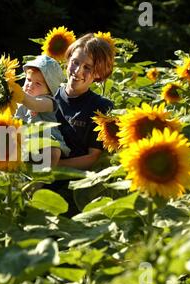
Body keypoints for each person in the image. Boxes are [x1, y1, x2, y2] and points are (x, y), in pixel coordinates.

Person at [47, 33, 115, 215]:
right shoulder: (47, 95)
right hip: (35, 185)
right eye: (75, 62)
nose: (77, 71)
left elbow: (92, 158)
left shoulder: (101, 108)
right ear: (67, 59)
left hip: (73, 195)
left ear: (99, 74)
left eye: (87, 68)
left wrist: (51, 166)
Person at [0, 54, 69, 167]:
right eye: (29, 80)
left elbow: (34, 104)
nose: (30, 85)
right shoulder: (18, 99)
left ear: (50, 90)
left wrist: (12, 89)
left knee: (53, 151)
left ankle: (39, 182)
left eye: (38, 83)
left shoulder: (49, 101)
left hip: (44, 138)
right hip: (20, 138)